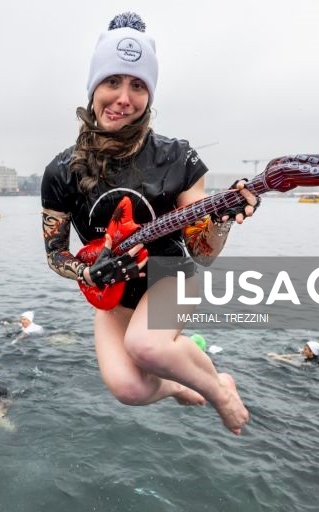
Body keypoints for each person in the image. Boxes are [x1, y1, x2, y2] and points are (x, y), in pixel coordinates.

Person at [40, 12, 259, 435]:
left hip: (171, 275)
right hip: (112, 292)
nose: (124, 97)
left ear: (149, 94)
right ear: (94, 88)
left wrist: (223, 220)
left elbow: (203, 252)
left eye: (138, 85)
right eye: (113, 82)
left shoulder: (178, 157)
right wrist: (87, 270)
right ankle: (178, 386)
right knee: (128, 388)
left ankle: (220, 391)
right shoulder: (61, 171)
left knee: (146, 343)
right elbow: (54, 252)